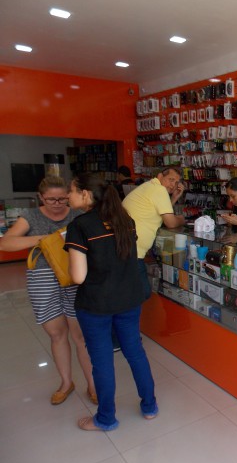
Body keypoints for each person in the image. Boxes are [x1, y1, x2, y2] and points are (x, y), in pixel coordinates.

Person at [65, 173, 157, 431]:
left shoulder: (80, 226)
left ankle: (106, 419)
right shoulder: (124, 220)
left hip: (96, 305)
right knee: (135, 352)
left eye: (71, 191)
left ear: (85, 194)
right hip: (129, 299)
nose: (67, 196)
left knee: (102, 360)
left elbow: (78, 276)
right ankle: (150, 406)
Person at [0, 176, 97, 405]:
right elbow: (5, 243)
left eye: (62, 198)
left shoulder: (77, 214)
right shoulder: (31, 217)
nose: (57, 204)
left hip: (75, 277)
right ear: (40, 197)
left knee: (81, 336)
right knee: (56, 334)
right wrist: (46, 239)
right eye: (51, 199)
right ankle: (66, 382)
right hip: (42, 279)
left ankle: (93, 385)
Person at [122, 167, 186, 299]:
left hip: (126, 249)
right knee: (142, 292)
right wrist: (181, 219)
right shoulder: (159, 190)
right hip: (132, 251)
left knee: (134, 292)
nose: (173, 185)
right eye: (171, 180)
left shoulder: (151, 187)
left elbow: (159, 211)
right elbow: (170, 222)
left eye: (176, 182)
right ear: (160, 176)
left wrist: (174, 198)